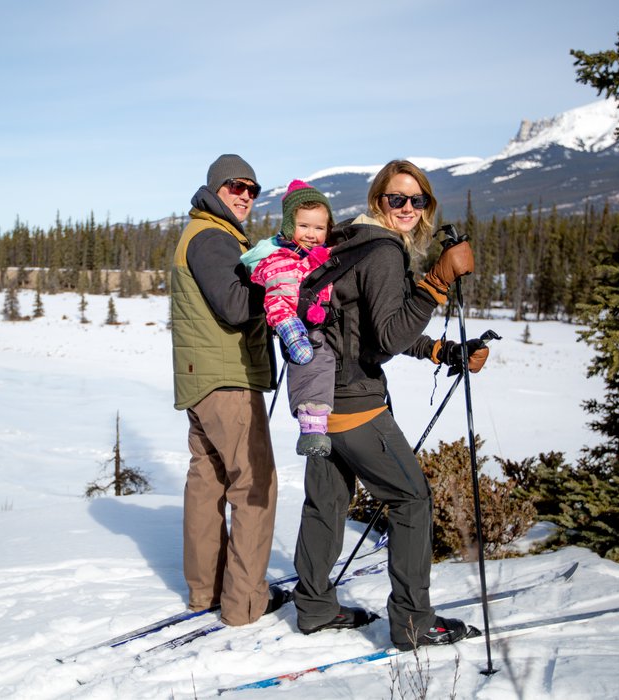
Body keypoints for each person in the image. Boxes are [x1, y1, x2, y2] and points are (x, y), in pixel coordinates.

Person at [291, 160, 490, 651]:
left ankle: (315, 606)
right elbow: (387, 335)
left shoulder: (348, 242)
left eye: (416, 200)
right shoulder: (382, 252)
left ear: (427, 207)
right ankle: (413, 623)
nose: (406, 208)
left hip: (317, 401)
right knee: (410, 499)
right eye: (395, 198)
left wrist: (440, 351)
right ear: (378, 200)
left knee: (327, 502)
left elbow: (368, 327)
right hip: (357, 404)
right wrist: (437, 283)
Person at [170, 154, 289, 627]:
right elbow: (237, 306)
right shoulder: (212, 237)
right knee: (254, 485)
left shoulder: (203, 233)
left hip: (202, 380)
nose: (244, 195)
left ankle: (207, 592)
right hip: (227, 382)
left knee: (207, 484)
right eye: (235, 186)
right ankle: (243, 603)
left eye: (252, 189)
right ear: (216, 188)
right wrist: (277, 279)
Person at [241, 179, 336, 458]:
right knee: (312, 356)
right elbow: (277, 297)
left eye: (319, 228)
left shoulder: (321, 256)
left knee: (322, 354)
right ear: (289, 227)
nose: (311, 234)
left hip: (322, 320)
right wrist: (289, 326)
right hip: (297, 324)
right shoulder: (282, 259)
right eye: (304, 226)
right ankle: (312, 426)